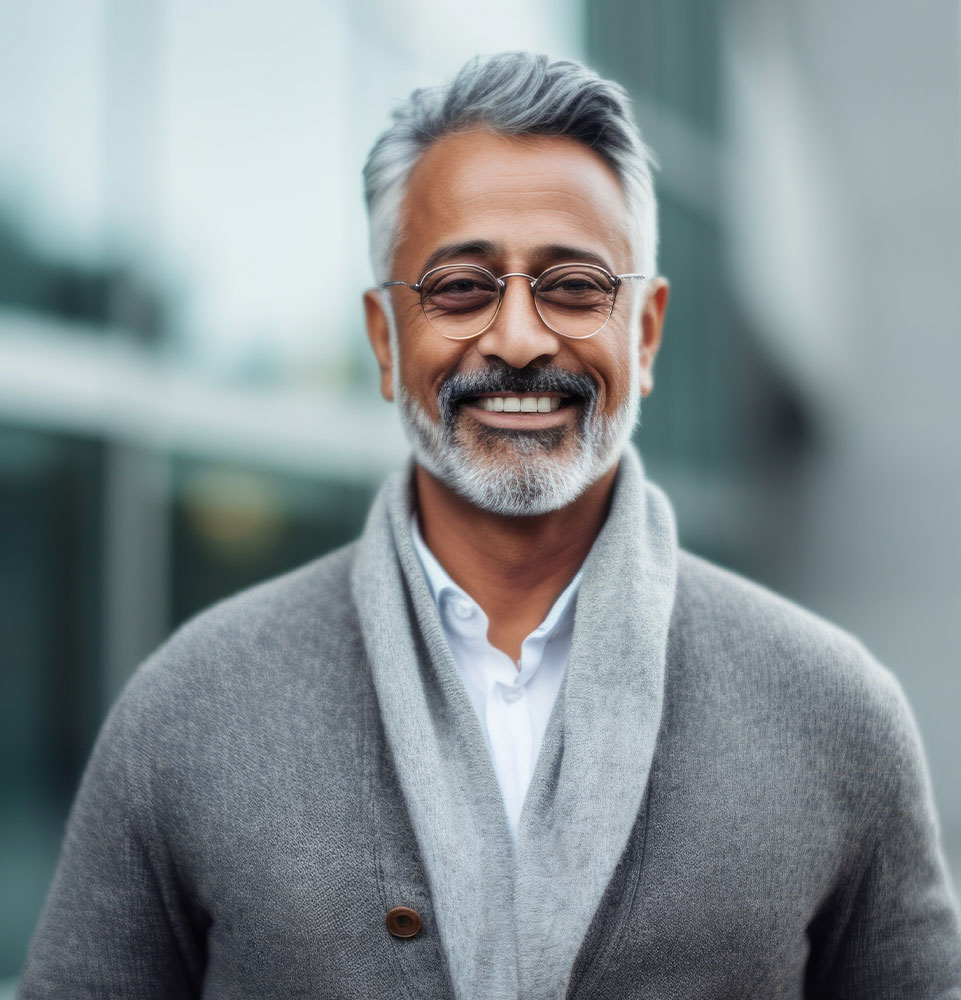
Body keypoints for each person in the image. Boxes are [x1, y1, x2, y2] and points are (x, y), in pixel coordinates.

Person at [18, 52, 961, 1000]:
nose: (518, 339)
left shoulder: (833, 714)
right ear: (386, 341)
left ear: (645, 333)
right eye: (461, 288)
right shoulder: (190, 710)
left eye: (574, 286)